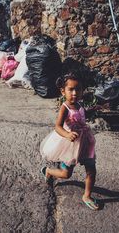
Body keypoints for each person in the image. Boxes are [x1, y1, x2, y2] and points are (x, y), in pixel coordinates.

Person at [40, 72, 99, 210]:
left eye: (78, 89)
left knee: (91, 170)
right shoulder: (65, 108)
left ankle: (87, 196)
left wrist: (93, 110)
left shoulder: (80, 105)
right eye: (71, 89)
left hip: (85, 142)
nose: (74, 93)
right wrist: (66, 135)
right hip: (70, 145)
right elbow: (57, 127)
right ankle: (48, 171)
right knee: (66, 174)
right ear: (63, 91)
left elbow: (82, 116)